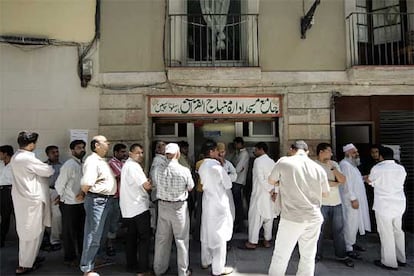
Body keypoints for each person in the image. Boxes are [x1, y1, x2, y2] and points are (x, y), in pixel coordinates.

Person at [267, 140, 329, 276]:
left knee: (281, 255)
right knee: (308, 256)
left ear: (291, 150)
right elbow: (325, 193)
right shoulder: (318, 168)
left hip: (292, 217)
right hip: (314, 217)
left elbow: (271, 181)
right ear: (307, 152)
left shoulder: (284, 162)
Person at [10, 131, 54, 274]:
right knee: (32, 233)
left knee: (27, 231)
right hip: (32, 200)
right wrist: (48, 168)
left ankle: (29, 259)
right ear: (30, 145)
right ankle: (25, 264)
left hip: (23, 199)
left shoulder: (16, 156)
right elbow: (47, 170)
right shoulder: (27, 158)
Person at [153, 143, 194, 276]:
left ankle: (159, 269)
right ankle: (183, 271)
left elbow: (154, 184)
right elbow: (190, 187)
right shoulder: (184, 170)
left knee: (161, 239)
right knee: (181, 240)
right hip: (179, 207)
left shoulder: (157, 170)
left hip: (163, 206)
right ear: (177, 154)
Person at [79, 135, 117, 276]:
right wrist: (84, 192)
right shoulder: (92, 161)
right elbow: (86, 183)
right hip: (97, 201)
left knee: (100, 234)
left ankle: (94, 260)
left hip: (106, 200)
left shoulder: (101, 160)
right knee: (93, 234)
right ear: (97, 145)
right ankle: (87, 268)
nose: (108, 144)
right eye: (105, 142)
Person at [368, 146, 407, 270]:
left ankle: (389, 262)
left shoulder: (377, 168)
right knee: (398, 231)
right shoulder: (400, 168)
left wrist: (367, 179)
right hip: (399, 204)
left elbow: (370, 181)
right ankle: (401, 259)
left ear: (381, 156)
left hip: (384, 205)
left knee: (386, 233)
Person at [315, 143, 354, 267]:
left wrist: (333, 169)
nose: (331, 154)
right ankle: (316, 254)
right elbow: (316, 183)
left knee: (339, 230)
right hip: (321, 203)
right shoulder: (314, 165)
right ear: (321, 152)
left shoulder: (334, 164)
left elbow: (342, 180)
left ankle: (341, 255)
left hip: (336, 202)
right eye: (329, 151)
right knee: (318, 230)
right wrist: (333, 183)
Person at [198, 140, 234, 276]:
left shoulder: (202, 166)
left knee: (206, 232)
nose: (218, 152)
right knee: (220, 236)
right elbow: (228, 184)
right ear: (212, 152)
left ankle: (205, 260)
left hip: (207, 202)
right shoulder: (217, 167)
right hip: (219, 204)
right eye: (216, 150)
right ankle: (218, 269)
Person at [120, 144, 153, 275]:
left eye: (142, 152)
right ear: (130, 153)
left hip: (129, 208)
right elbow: (146, 186)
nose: (141, 155)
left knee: (131, 238)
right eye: (138, 153)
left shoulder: (126, 166)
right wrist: (151, 183)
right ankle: (143, 269)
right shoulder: (134, 167)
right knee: (144, 239)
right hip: (139, 207)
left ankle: (131, 265)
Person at [55, 140, 87, 266]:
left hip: (81, 203)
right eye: (79, 148)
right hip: (69, 203)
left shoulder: (82, 164)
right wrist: (62, 197)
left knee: (81, 231)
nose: (82, 150)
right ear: (72, 150)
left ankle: (81, 255)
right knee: (69, 232)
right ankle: (69, 258)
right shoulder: (69, 165)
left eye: (83, 147)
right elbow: (59, 185)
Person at [339, 143, 371, 258]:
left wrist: (363, 178)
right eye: (354, 152)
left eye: (356, 152)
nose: (356, 154)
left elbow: (355, 180)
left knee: (355, 223)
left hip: (357, 199)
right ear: (347, 153)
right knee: (350, 223)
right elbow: (346, 184)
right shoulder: (344, 165)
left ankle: (352, 243)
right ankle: (348, 248)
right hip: (350, 200)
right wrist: (353, 199)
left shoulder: (352, 165)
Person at [243, 142, 275, 250]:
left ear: (261, 149)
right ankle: (267, 240)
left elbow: (261, 179)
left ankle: (252, 242)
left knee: (255, 220)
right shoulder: (272, 162)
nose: (254, 151)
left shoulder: (258, 161)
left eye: (256, 149)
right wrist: (274, 191)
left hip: (259, 193)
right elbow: (276, 179)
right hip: (270, 195)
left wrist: (269, 189)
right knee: (268, 219)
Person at [105, 143, 128, 256]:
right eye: (122, 152)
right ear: (115, 153)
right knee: (112, 222)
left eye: (125, 151)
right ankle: (110, 245)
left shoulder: (124, 163)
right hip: (114, 197)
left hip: (123, 197)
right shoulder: (112, 163)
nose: (124, 154)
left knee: (122, 221)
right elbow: (122, 175)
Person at [43, 145, 63, 251]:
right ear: (48, 154)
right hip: (45, 191)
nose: (56, 154)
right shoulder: (43, 165)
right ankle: (45, 237)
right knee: (44, 215)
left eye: (57, 151)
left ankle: (55, 240)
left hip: (57, 192)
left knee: (57, 216)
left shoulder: (63, 166)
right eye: (53, 152)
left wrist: (62, 194)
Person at [232, 137, 250, 232]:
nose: (235, 146)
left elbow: (238, 169)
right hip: (236, 181)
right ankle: (238, 223)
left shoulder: (244, 154)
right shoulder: (238, 153)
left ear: (240, 144)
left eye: (236, 144)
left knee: (238, 204)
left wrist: (230, 172)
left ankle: (240, 225)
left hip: (238, 181)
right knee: (236, 203)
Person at [149, 140, 167, 230]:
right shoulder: (158, 161)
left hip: (161, 193)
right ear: (157, 149)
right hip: (159, 193)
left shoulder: (164, 159)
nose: (165, 147)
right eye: (162, 145)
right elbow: (155, 177)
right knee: (159, 215)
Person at [0, 145, 14, 248]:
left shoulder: (15, 164)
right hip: (1, 191)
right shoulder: (0, 164)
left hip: (11, 191)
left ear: (5, 154)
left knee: (9, 216)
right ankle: (1, 239)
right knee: (3, 217)